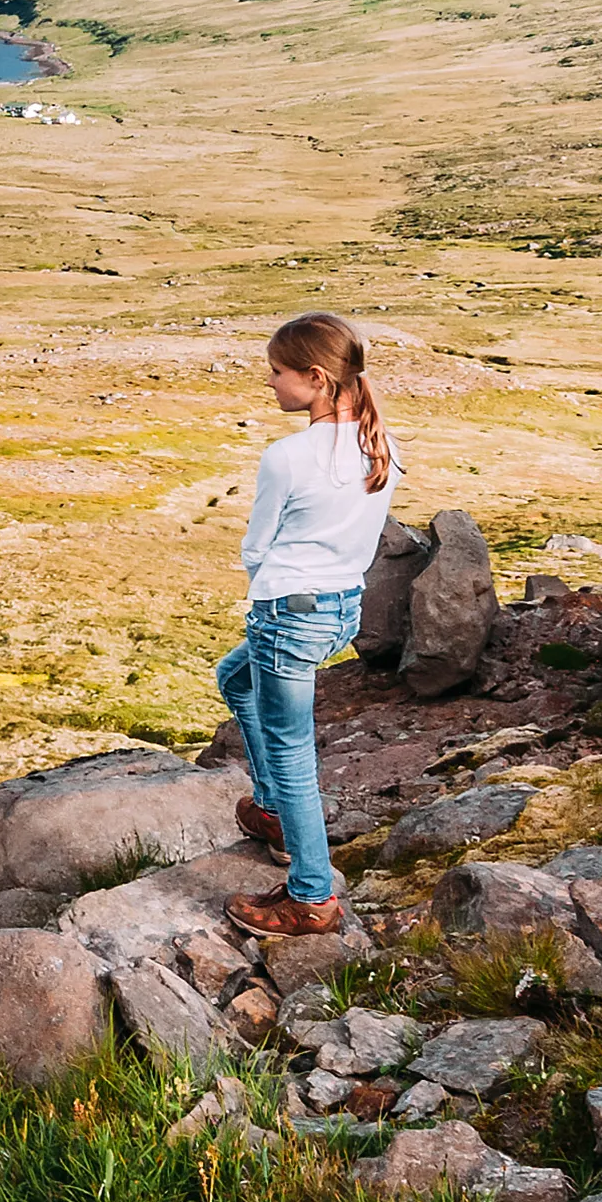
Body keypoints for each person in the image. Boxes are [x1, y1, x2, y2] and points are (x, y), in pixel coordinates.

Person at [220, 312, 399, 937]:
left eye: (277, 372)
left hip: (289, 613)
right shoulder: (381, 443)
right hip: (340, 607)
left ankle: (311, 896)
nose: (270, 383)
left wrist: (269, 587)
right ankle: (271, 813)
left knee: (294, 753)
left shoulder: (288, 456)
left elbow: (256, 546)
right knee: (235, 679)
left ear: (316, 378)